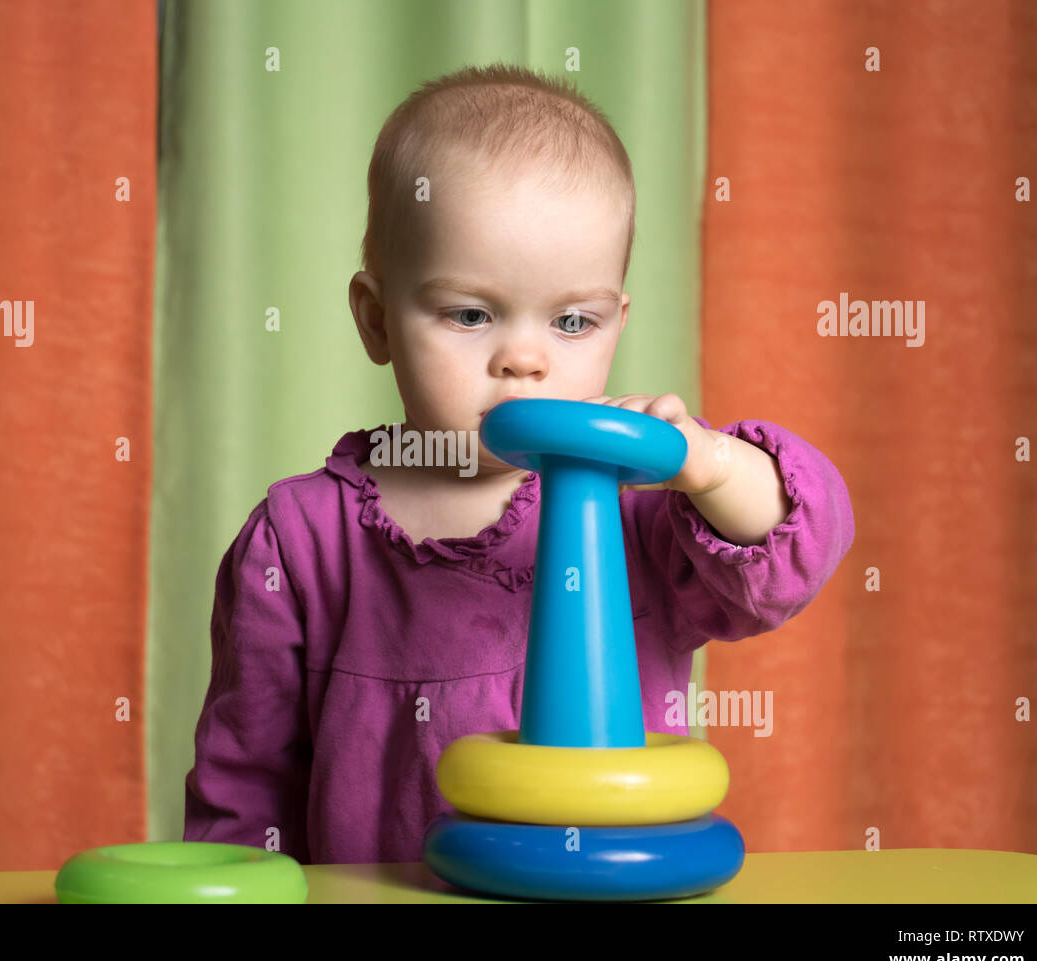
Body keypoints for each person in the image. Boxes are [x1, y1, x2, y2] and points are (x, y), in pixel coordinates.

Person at [184, 63, 855, 864]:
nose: (525, 360)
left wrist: (707, 464)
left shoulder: (639, 513)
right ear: (376, 320)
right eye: (471, 314)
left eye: (573, 320)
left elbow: (797, 548)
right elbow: (244, 786)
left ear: (617, 321)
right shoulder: (300, 542)